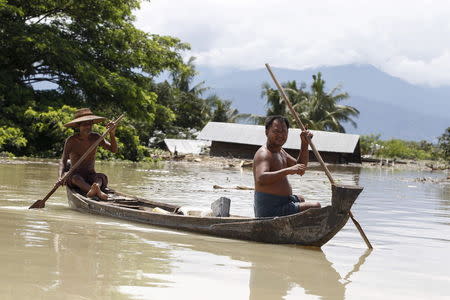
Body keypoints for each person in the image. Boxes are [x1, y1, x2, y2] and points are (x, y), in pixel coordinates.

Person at [253, 115, 321, 217]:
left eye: (284, 131)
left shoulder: (281, 151)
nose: (280, 135)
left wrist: (304, 143)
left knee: (301, 199)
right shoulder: (264, 153)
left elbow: (301, 168)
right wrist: (288, 170)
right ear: (267, 132)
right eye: (276, 131)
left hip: (283, 202)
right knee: (316, 206)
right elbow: (261, 178)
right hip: (271, 209)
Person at [58, 108, 118, 200]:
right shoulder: (71, 141)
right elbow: (63, 159)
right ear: (79, 126)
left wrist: (112, 134)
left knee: (101, 178)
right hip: (76, 175)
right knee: (76, 179)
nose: (88, 126)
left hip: (90, 175)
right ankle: (97, 192)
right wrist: (60, 176)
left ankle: (95, 188)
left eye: (90, 124)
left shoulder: (96, 137)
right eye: (85, 124)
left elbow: (113, 150)